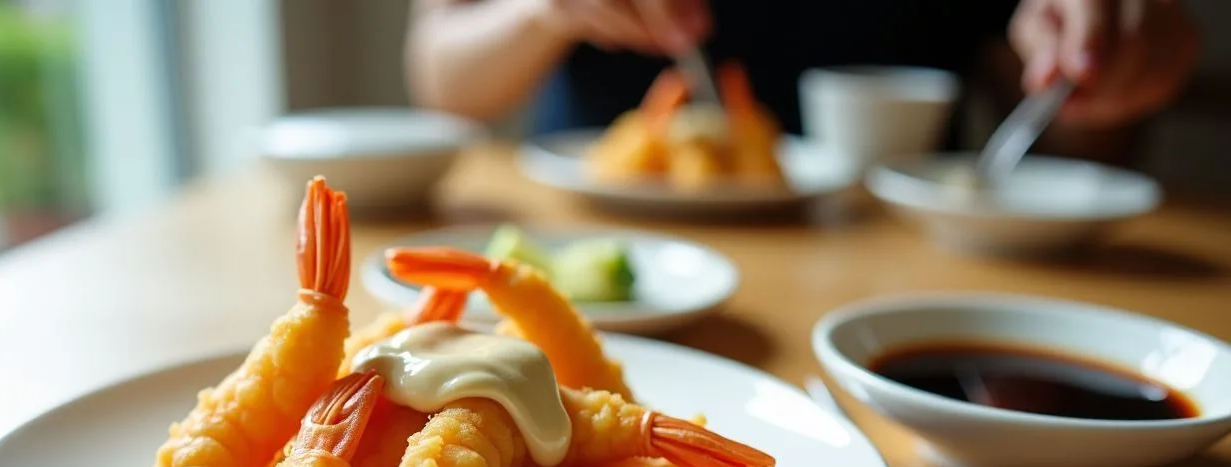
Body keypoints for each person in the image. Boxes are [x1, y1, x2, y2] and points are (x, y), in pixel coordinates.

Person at [404, 0, 1200, 165]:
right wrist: (543, 13)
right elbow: (442, 78)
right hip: (601, 249)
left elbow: (1069, 142)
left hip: (904, 269)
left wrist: (1105, 69)